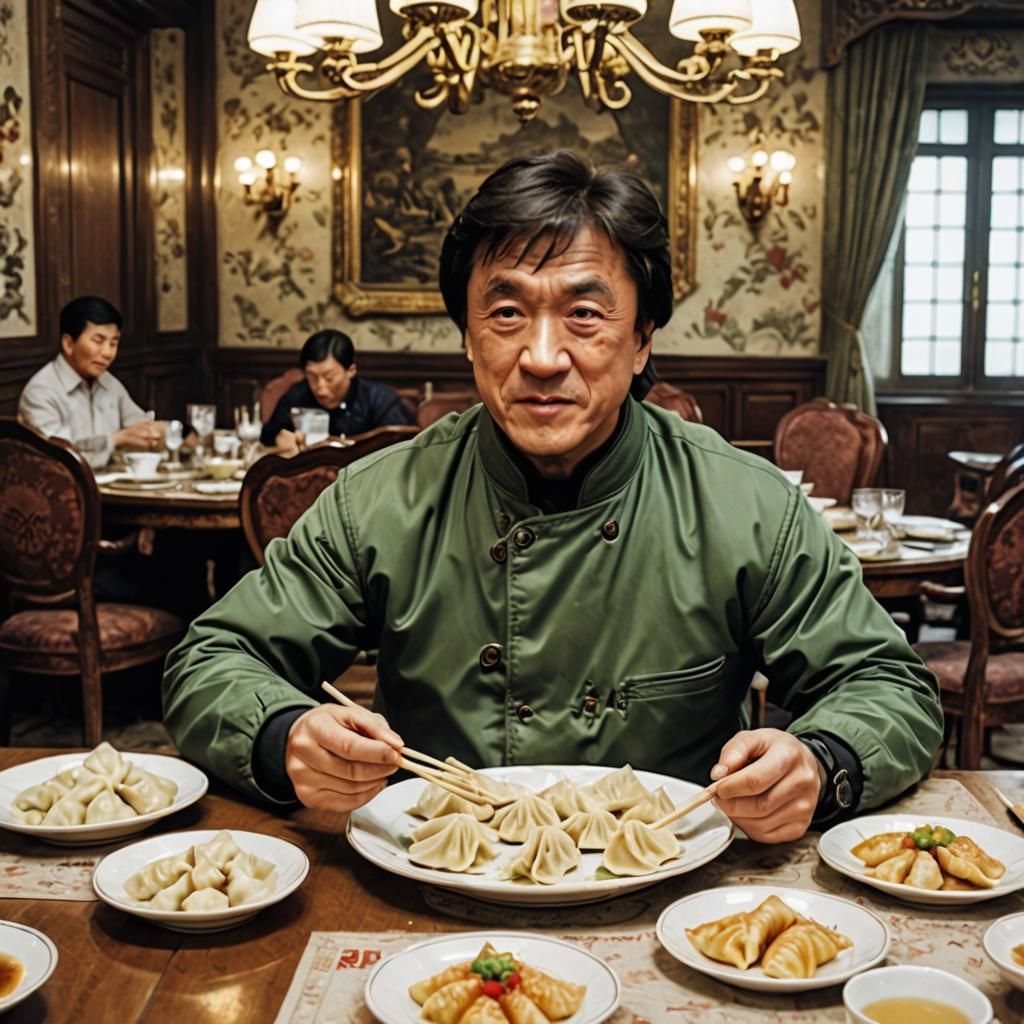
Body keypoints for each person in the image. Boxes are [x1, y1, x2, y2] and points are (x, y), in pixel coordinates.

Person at [164, 151, 942, 844]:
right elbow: (211, 659)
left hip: (677, 894)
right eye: (505, 312)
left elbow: (889, 684)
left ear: (642, 343)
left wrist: (823, 757)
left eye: (585, 314)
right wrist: (282, 735)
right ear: (468, 337)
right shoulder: (381, 499)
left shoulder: (747, 504)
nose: (541, 357)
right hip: (436, 887)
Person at [18, 295, 165, 468]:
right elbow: (61, 458)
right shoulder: (40, 391)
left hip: (110, 484)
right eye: (98, 341)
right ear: (68, 344)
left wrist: (156, 433)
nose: (108, 353)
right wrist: (116, 439)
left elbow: (138, 424)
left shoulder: (109, 382)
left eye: (113, 343)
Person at [259, 330, 414, 452]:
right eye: (312, 377)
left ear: (351, 370)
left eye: (329, 377)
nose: (319, 387)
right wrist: (280, 438)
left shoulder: (380, 399)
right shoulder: (298, 394)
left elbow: (404, 448)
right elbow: (268, 435)